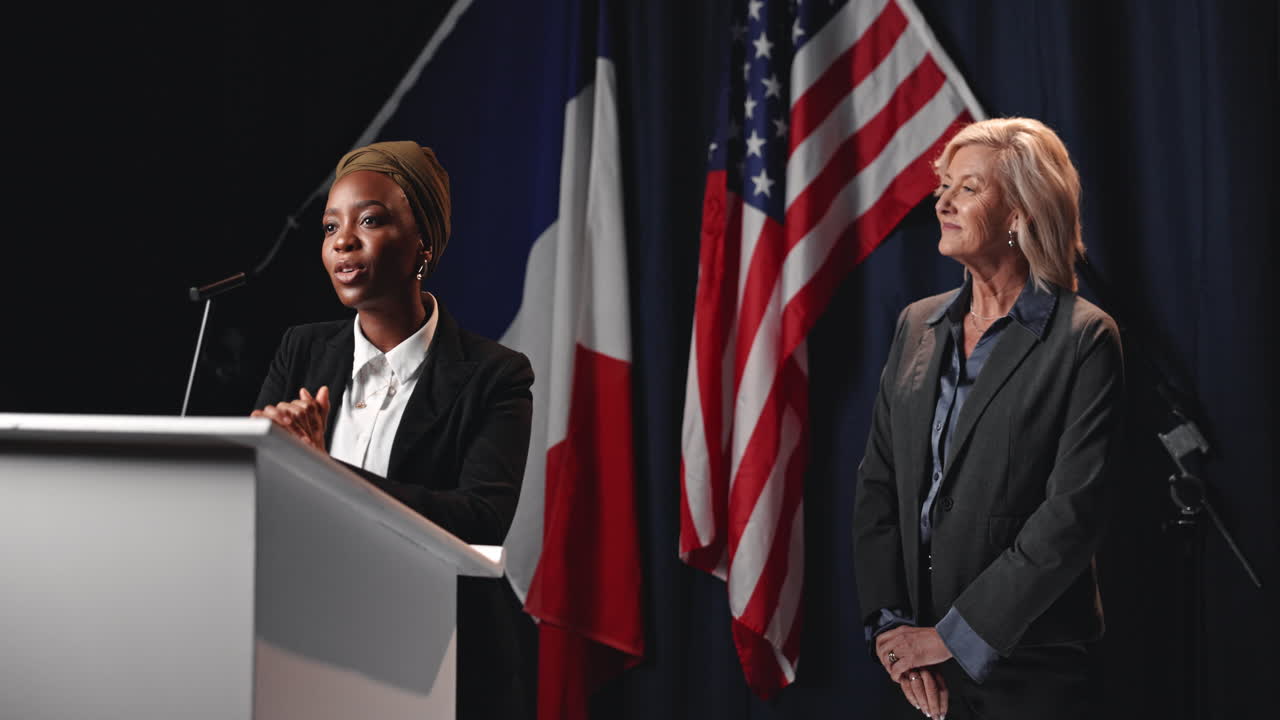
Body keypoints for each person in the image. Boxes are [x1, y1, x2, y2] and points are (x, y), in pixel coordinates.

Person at [852, 118, 1123, 720]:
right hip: (917, 667)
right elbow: (878, 487)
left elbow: (1071, 516)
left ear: (1020, 213)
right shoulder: (915, 324)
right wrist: (892, 630)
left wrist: (953, 635)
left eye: (968, 189)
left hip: (1030, 667)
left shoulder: (1084, 338)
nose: (942, 201)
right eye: (943, 186)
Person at [253, 141, 534, 719]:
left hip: (438, 660)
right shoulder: (299, 351)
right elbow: (256, 506)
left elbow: (480, 520)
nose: (342, 241)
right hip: (302, 648)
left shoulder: (494, 375)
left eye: (370, 221)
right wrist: (262, 452)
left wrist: (320, 471)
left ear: (422, 243)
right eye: (331, 226)